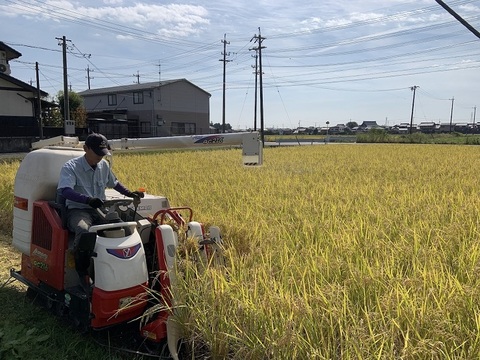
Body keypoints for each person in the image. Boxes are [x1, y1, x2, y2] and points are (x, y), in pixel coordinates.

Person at [57, 133, 144, 285]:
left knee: (120, 228)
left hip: (99, 209)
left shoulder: (103, 166)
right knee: (84, 230)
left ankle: (119, 267)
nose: (100, 157)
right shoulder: (71, 167)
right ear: (85, 149)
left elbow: (114, 183)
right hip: (78, 210)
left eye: (103, 153)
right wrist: (88, 200)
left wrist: (130, 193)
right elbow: (65, 191)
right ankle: (82, 271)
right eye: (97, 153)